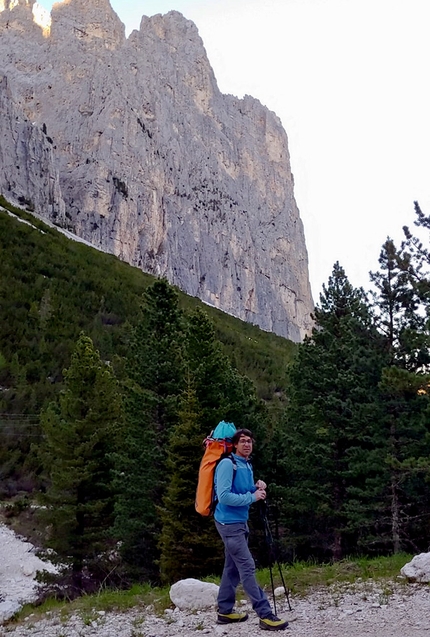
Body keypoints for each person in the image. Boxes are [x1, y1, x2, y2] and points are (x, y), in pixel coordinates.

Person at [214, 428, 289, 631]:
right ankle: (265, 615)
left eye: (250, 441)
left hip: (238, 522)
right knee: (247, 567)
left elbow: (242, 491)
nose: (247, 444)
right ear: (235, 445)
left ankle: (225, 611)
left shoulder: (245, 465)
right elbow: (224, 497)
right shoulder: (227, 464)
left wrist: (256, 488)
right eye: (243, 441)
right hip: (228, 524)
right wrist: (252, 497)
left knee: (232, 568)